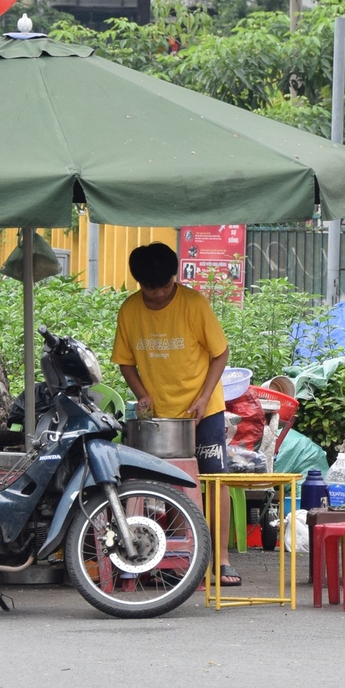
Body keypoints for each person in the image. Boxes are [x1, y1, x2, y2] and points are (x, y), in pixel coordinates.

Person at [110, 242, 237, 584]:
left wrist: (204, 397)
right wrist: (142, 395)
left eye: (164, 286)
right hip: (160, 418)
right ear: (139, 283)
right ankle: (184, 559)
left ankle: (221, 561)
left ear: (174, 278)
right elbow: (125, 361)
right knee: (169, 486)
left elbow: (220, 354)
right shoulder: (130, 310)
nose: (157, 294)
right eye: (149, 288)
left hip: (203, 410)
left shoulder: (194, 304)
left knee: (214, 480)